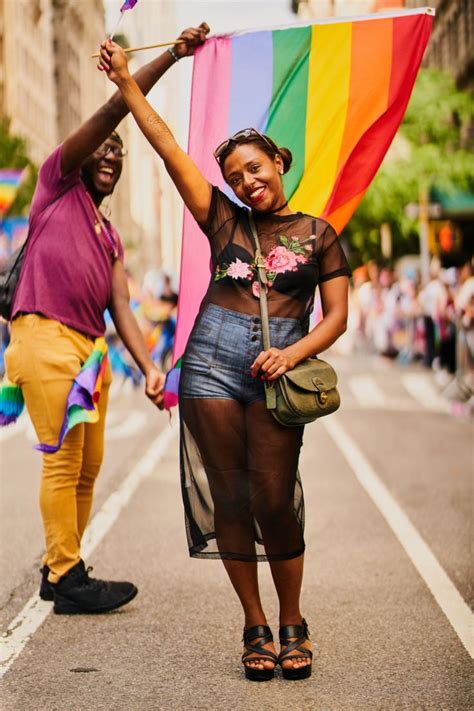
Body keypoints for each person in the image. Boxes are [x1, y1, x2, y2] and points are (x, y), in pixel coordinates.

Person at [98, 40, 350, 679]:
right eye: (236, 176)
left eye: (254, 169)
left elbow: (340, 317)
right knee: (231, 497)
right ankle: (257, 626)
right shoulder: (221, 221)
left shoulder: (319, 234)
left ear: (277, 160)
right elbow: (166, 147)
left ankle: (293, 618)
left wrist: (290, 354)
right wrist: (128, 81)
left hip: (278, 368)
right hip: (210, 362)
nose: (247, 182)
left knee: (273, 495)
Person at [4, 24, 209, 615]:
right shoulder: (55, 184)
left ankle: (60, 565)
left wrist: (149, 367)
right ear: (84, 149)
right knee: (65, 459)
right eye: (106, 145)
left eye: (119, 152)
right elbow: (117, 106)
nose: (112, 154)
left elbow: (121, 305)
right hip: (44, 337)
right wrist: (171, 53)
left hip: (91, 352)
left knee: (90, 465)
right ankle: (66, 576)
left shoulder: (109, 232)